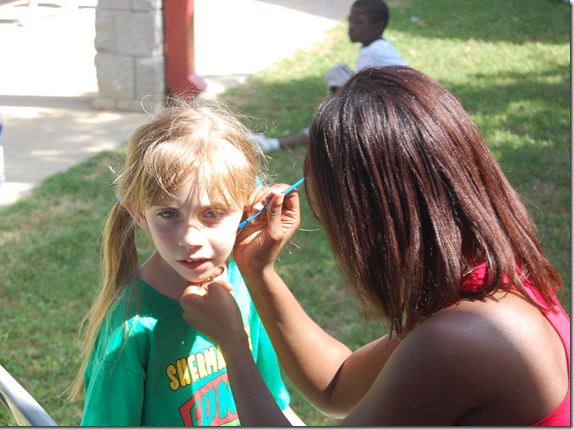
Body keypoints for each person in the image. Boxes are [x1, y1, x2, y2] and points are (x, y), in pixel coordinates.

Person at [180, 67, 570, 426]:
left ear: (364, 216)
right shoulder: (488, 283)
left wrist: (233, 342)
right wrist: (256, 270)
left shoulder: (459, 340)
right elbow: (337, 386)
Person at [69, 101, 304, 426]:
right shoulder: (129, 333)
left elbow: (274, 405)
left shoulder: (246, 286)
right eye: (168, 213)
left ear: (248, 209)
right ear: (139, 214)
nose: (190, 238)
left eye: (213, 213)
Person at [252, 0, 406, 152]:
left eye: (359, 22)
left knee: (334, 105)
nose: (351, 27)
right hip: (371, 101)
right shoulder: (373, 48)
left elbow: (405, 79)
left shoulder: (378, 51)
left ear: (377, 27)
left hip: (385, 110)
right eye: (351, 20)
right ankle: (335, 114)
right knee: (339, 72)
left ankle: (276, 143)